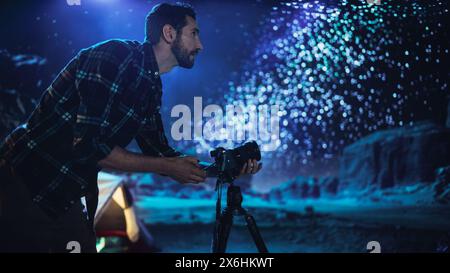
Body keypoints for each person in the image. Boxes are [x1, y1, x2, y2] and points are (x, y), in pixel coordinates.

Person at [0, 2, 261, 253]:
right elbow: (89, 146)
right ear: (169, 33)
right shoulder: (113, 56)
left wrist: (224, 168)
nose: (200, 45)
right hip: (24, 179)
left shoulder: (150, 84)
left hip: (60, 192)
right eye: (194, 33)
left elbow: (162, 154)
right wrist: (166, 166)